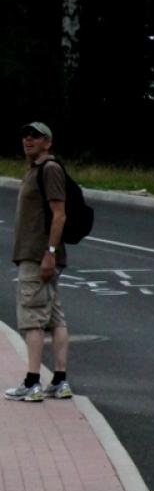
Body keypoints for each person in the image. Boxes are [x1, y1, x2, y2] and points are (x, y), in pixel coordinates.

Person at [5, 122, 73, 402]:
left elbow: (59, 214)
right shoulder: (36, 170)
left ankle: (33, 382)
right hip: (39, 255)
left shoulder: (50, 170)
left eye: (35, 136)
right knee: (55, 316)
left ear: (48, 142)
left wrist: (49, 252)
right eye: (25, 136)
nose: (28, 140)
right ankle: (59, 380)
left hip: (39, 256)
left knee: (32, 319)